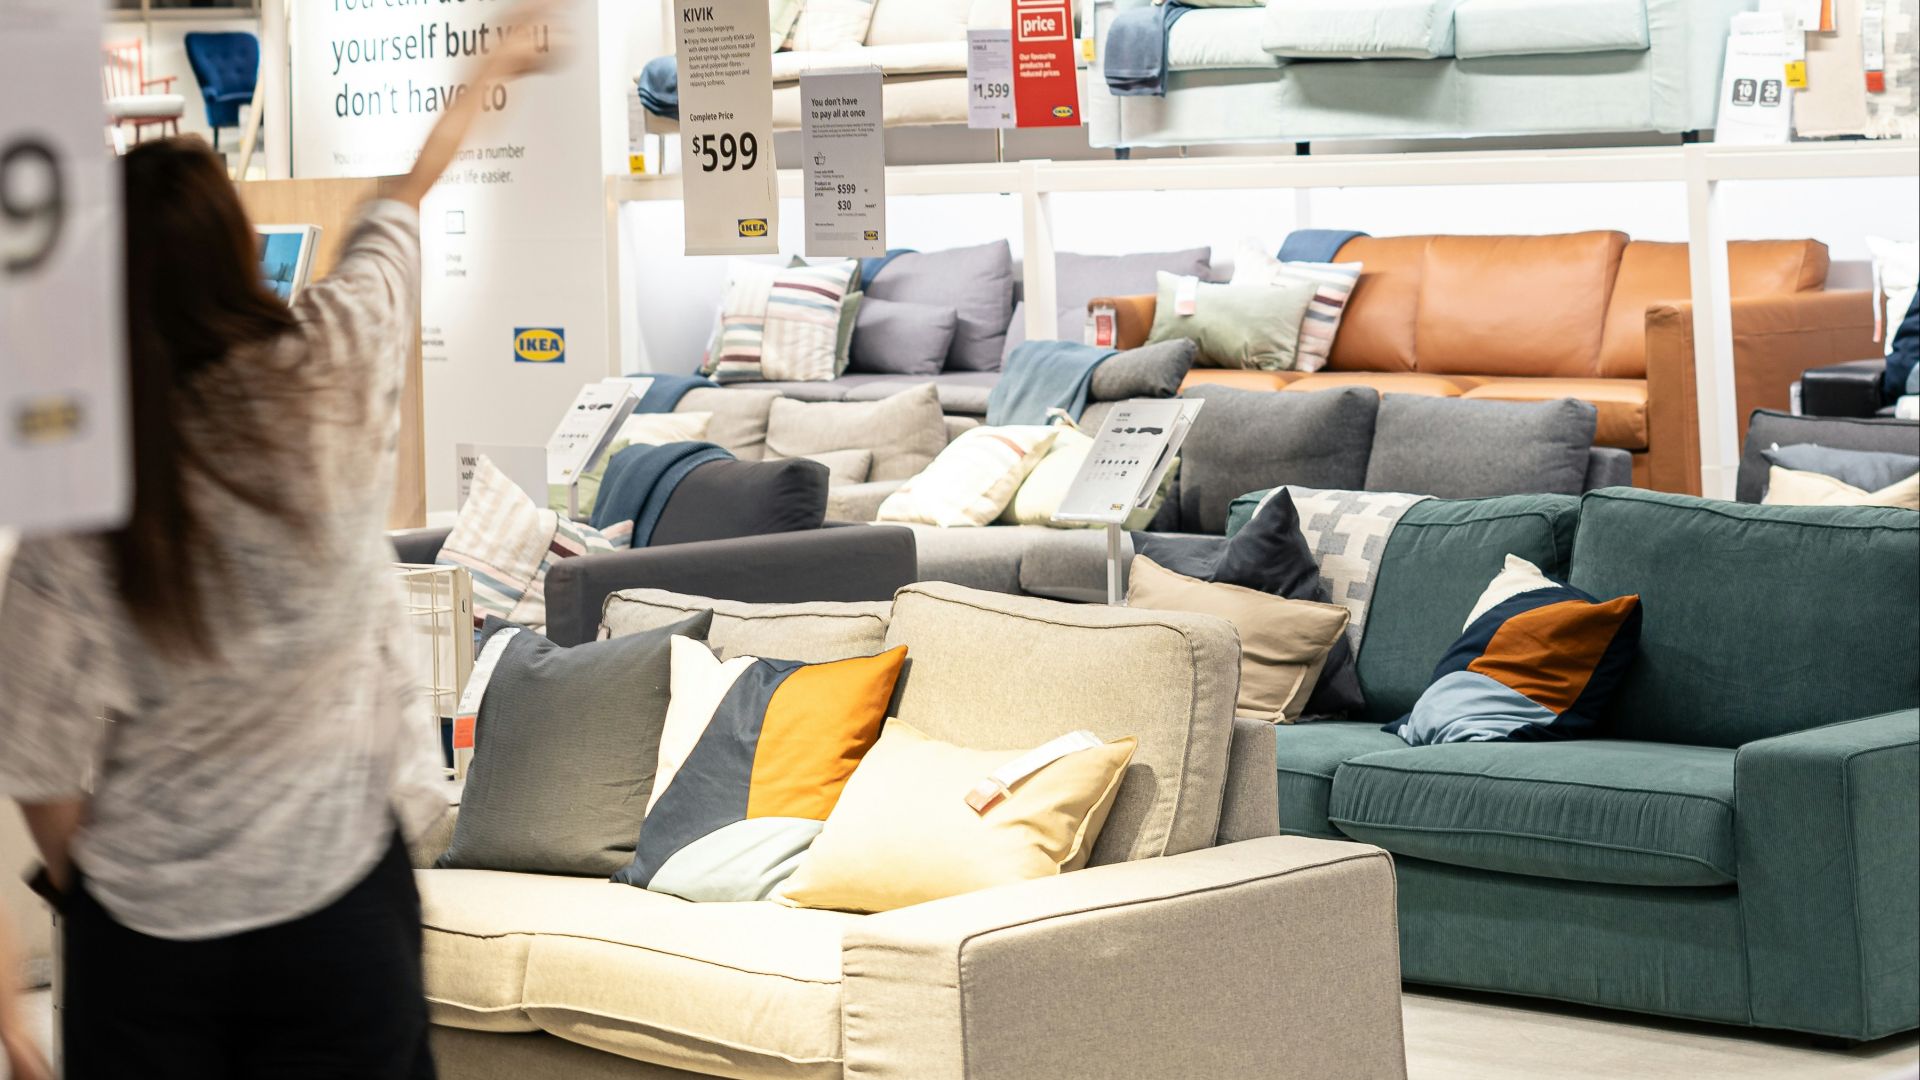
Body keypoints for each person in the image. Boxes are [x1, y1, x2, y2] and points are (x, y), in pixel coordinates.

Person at [0, 4, 559, 1076]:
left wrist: (111, 885)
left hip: (145, 942)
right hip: (338, 911)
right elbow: (396, 207)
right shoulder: (331, 371)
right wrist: (491, 65)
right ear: (240, 249)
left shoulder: (80, 495)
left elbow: (41, 769)